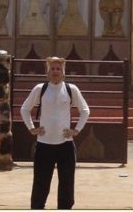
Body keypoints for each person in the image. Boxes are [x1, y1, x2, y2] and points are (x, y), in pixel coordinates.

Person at [21, 56, 90, 209]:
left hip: (65, 144)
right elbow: (25, 109)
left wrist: (76, 130)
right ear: (48, 71)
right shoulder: (40, 89)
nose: (55, 71)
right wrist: (32, 128)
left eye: (58, 68)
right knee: (41, 181)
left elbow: (85, 110)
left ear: (63, 71)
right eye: (52, 69)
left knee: (66, 182)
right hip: (44, 144)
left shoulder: (71, 89)